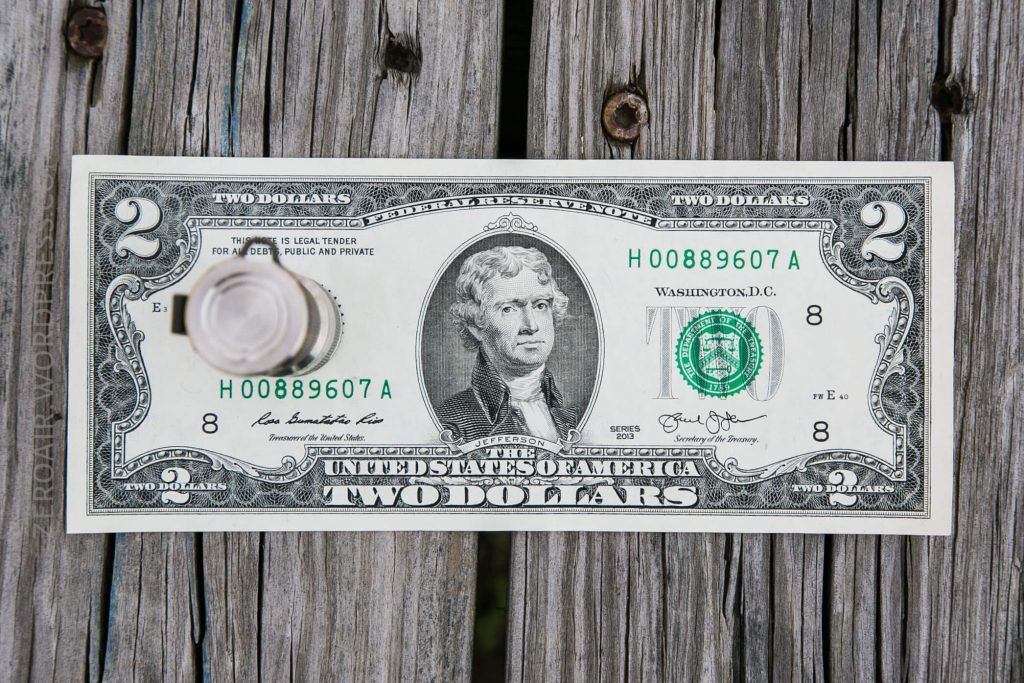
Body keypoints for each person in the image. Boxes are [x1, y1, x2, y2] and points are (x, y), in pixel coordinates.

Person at [437, 245, 579, 442]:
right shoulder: (451, 422)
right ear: (476, 325)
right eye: (509, 309)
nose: (531, 326)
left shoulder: (572, 417)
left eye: (540, 305)